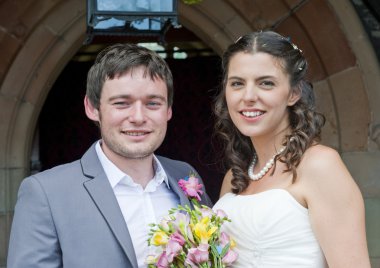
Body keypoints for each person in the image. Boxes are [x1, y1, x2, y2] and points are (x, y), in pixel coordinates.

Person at [7, 43, 212, 268]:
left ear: (169, 110)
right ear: (92, 108)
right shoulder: (46, 193)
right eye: (122, 103)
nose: (138, 117)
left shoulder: (186, 176)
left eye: (153, 103)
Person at [212, 31, 371, 267]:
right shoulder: (235, 177)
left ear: (293, 93)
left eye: (266, 83)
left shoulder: (320, 165)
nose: (248, 96)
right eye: (237, 83)